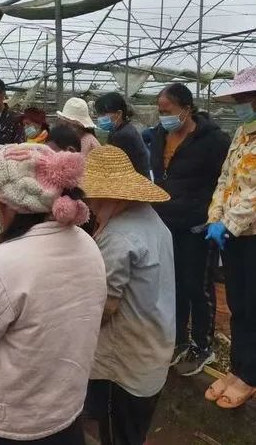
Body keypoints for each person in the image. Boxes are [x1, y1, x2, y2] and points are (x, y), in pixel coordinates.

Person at [0, 143, 106, 444]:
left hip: (9, 423)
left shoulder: (4, 264)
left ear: (8, 205)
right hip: (65, 414)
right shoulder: (88, 246)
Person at [83, 145, 175, 445]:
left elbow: (105, 307)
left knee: (117, 434)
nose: (91, 203)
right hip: (153, 346)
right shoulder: (150, 219)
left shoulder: (118, 237)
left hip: (122, 363)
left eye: (94, 196)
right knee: (133, 431)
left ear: (110, 195)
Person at [150, 83, 230, 376]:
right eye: (160, 112)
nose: (163, 117)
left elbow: (226, 180)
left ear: (186, 108)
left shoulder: (213, 140)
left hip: (198, 225)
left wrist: (214, 216)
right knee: (174, 284)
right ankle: (179, 339)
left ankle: (203, 345)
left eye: (167, 111)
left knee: (198, 285)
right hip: (167, 223)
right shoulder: (159, 136)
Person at [205, 66, 256, 409]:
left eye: (245, 99)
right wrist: (214, 218)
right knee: (239, 305)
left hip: (252, 234)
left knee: (253, 305)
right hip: (236, 236)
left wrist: (230, 223)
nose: (241, 105)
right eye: (238, 99)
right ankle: (238, 368)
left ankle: (251, 376)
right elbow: (225, 179)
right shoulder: (241, 133)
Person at [94, 92, 150, 177]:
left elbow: (113, 167)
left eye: (103, 114)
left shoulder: (123, 135)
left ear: (119, 113)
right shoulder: (124, 129)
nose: (100, 118)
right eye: (99, 114)